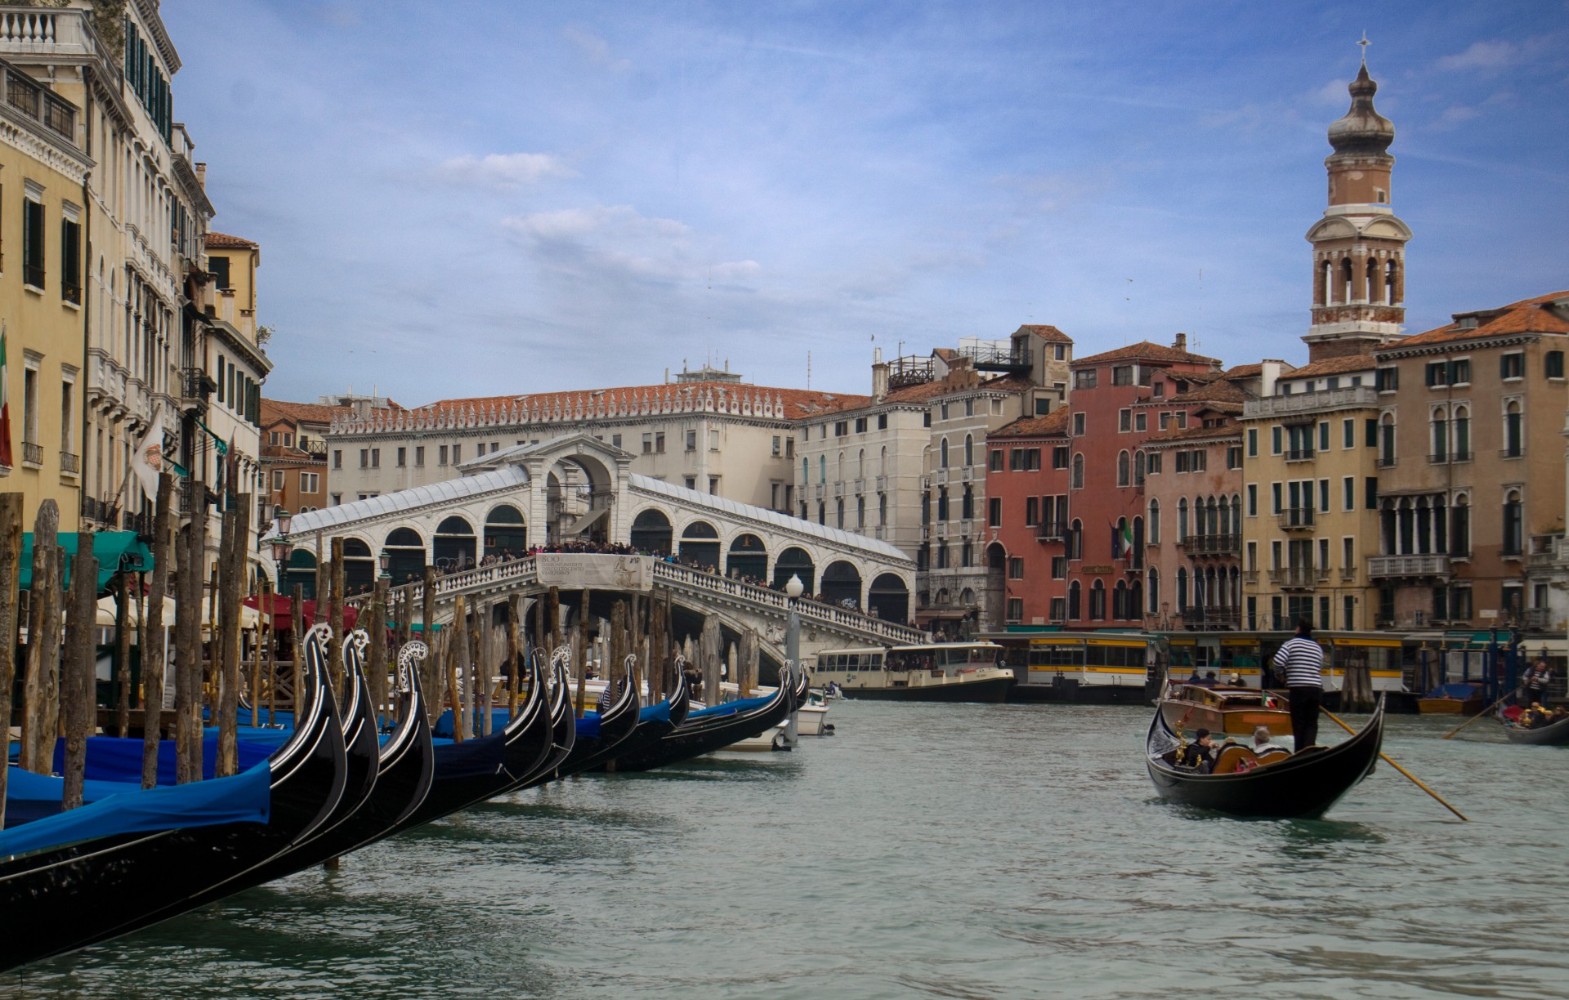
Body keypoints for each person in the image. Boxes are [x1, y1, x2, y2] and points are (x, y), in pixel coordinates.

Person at [1272, 618, 1324, 750]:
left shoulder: (1290, 644)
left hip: (1299, 689)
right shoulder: (1317, 647)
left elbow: (1278, 662)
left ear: (1298, 629)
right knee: (1312, 723)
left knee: (1299, 723)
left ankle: (1299, 752)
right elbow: (1319, 667)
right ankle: (1309, 750)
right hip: (1315, 689)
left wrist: (1281, 676)